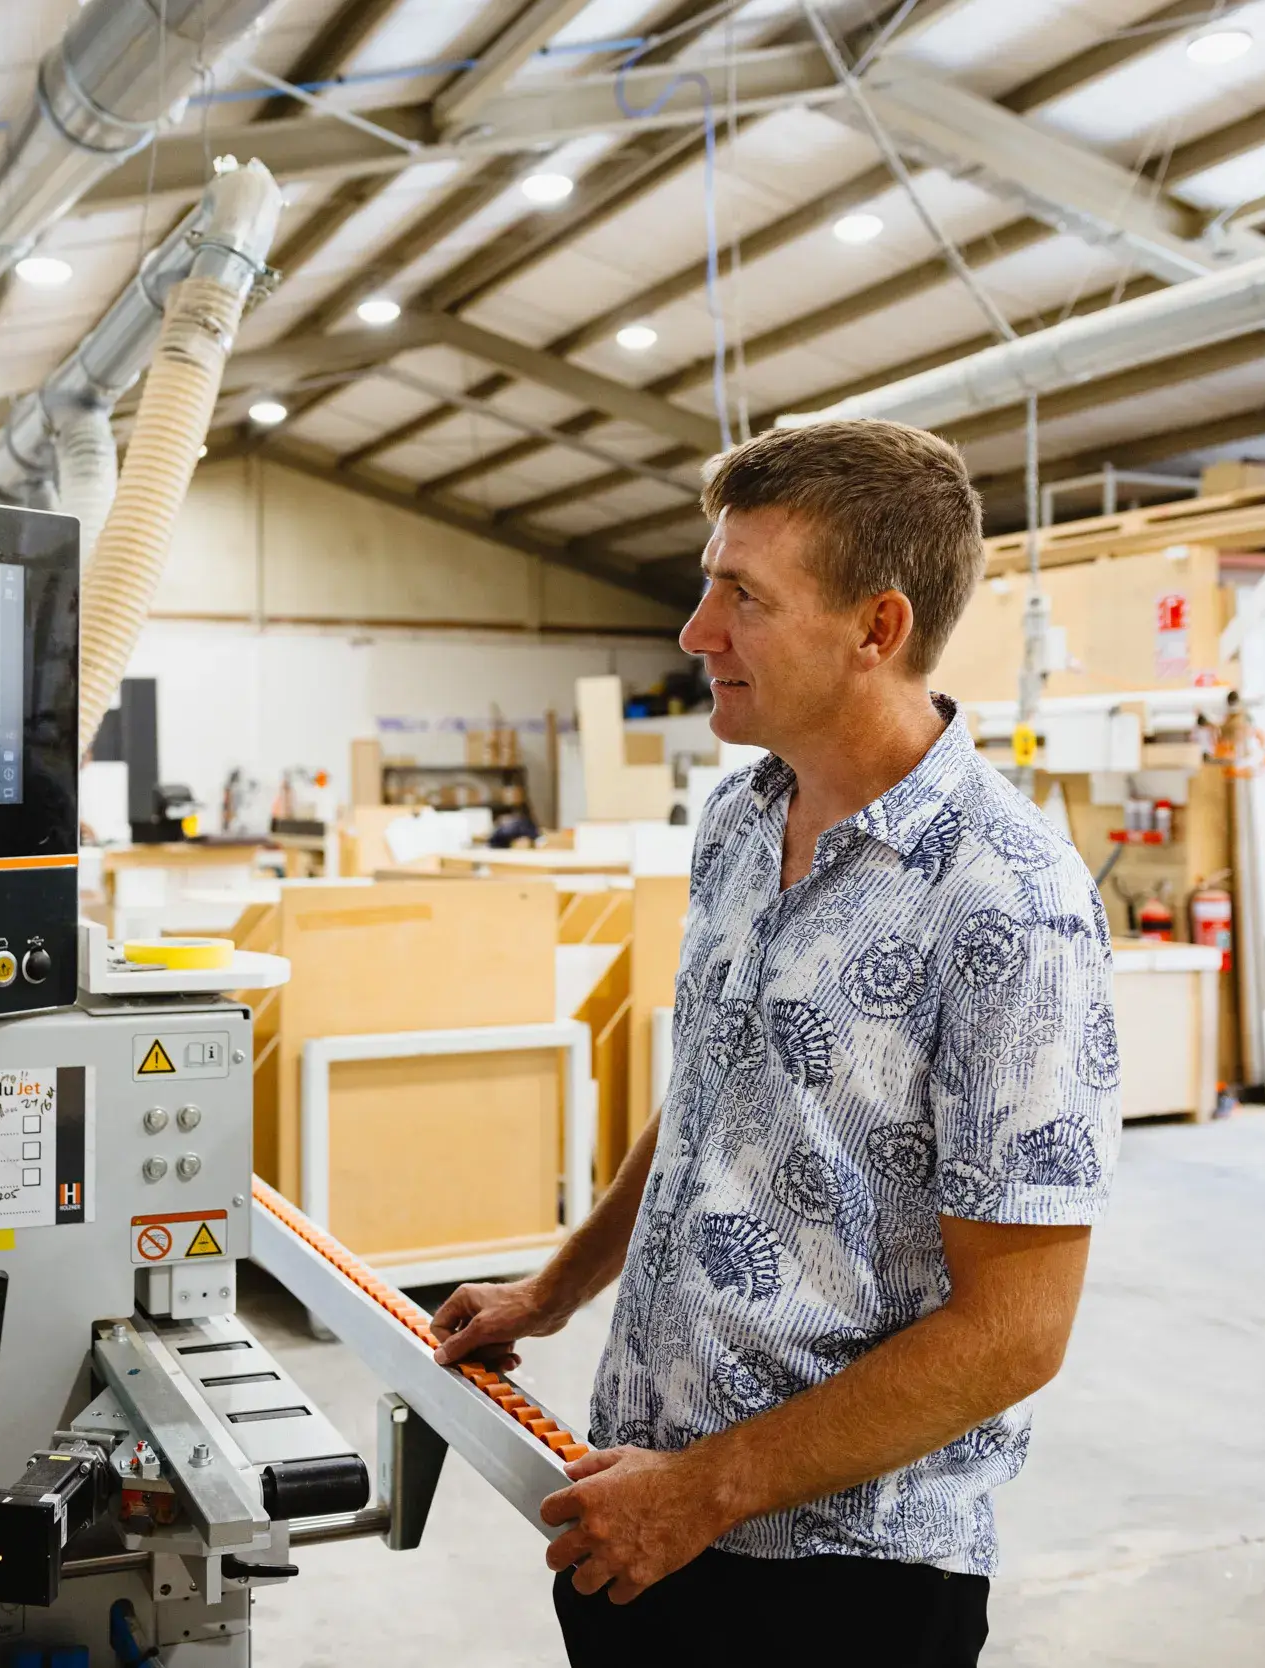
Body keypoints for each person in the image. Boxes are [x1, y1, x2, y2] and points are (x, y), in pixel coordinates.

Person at [432, 420, 1119, 1667]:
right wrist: (554, 1289)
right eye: (708, 585)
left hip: (836, 1587)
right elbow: (712, 1094)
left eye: (741, 596)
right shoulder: (744, 819)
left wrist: (704, 1492)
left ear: (878, 628)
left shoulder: (1008, 901)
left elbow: (1017, 1331)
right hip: (637, 1509)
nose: (697, 633)